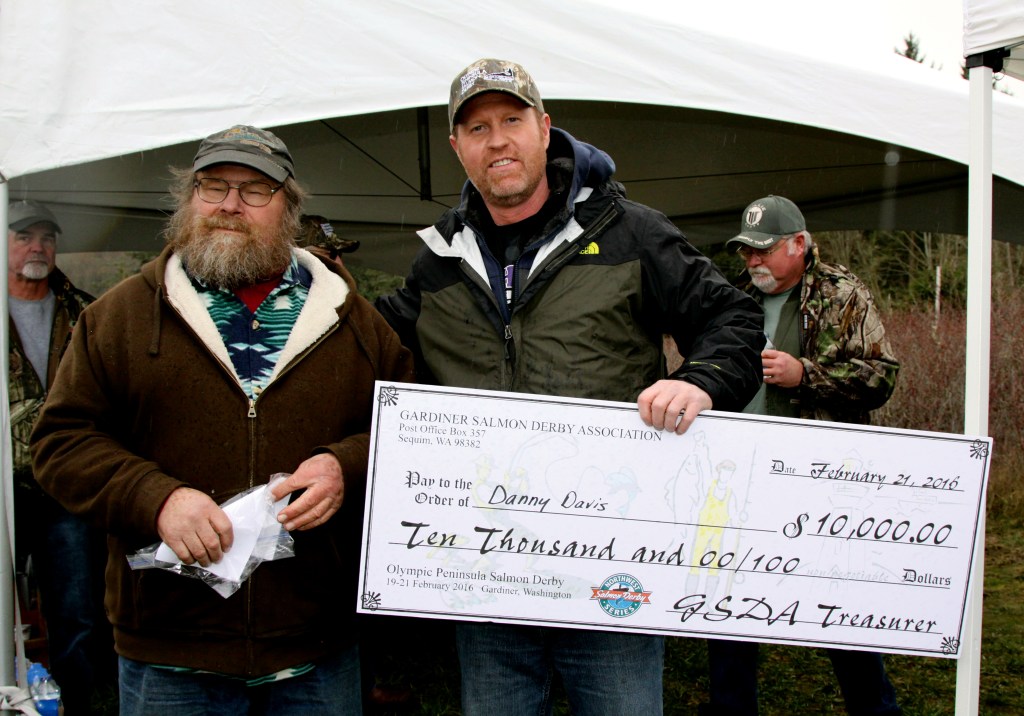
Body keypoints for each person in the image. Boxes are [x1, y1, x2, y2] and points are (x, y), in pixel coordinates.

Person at [375, 58, 764, 716]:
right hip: (484, 573)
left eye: (512, 120)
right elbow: (367, 345)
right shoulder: (437, 260)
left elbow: (733, 318)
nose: (497, 140)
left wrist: (702, 381)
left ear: (545, 128)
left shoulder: (630, 232)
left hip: (611, 568)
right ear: (457, 148)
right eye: (477, 128)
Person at [30, 125, 415, 715]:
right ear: (190, 200)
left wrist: (345, 466)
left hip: (315, 648)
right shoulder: (119, 317)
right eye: (213, 187)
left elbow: (409, 435)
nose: (230, 204)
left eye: (256, 190)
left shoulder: (356, 323)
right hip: (169, 650)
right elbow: (60, 442)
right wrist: (156, 499)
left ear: (289, 209)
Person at [701, 194, 902, 716]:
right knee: (728, 607)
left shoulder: (843, 293)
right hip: (742, 481)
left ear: (798, 244)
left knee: (840, 609)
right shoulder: (735, 296)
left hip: (821, 486)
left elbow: (881, 377)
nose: (753, 260)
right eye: (746, 250)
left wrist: (803, 374)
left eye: (764, 250)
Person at [7, 199, 110, 714]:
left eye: (46, 238)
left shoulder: (86, 312)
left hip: (67, 485)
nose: (37, 247)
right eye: (24, 236)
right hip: (3, 490)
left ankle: (80, 705)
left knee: (77, 611)